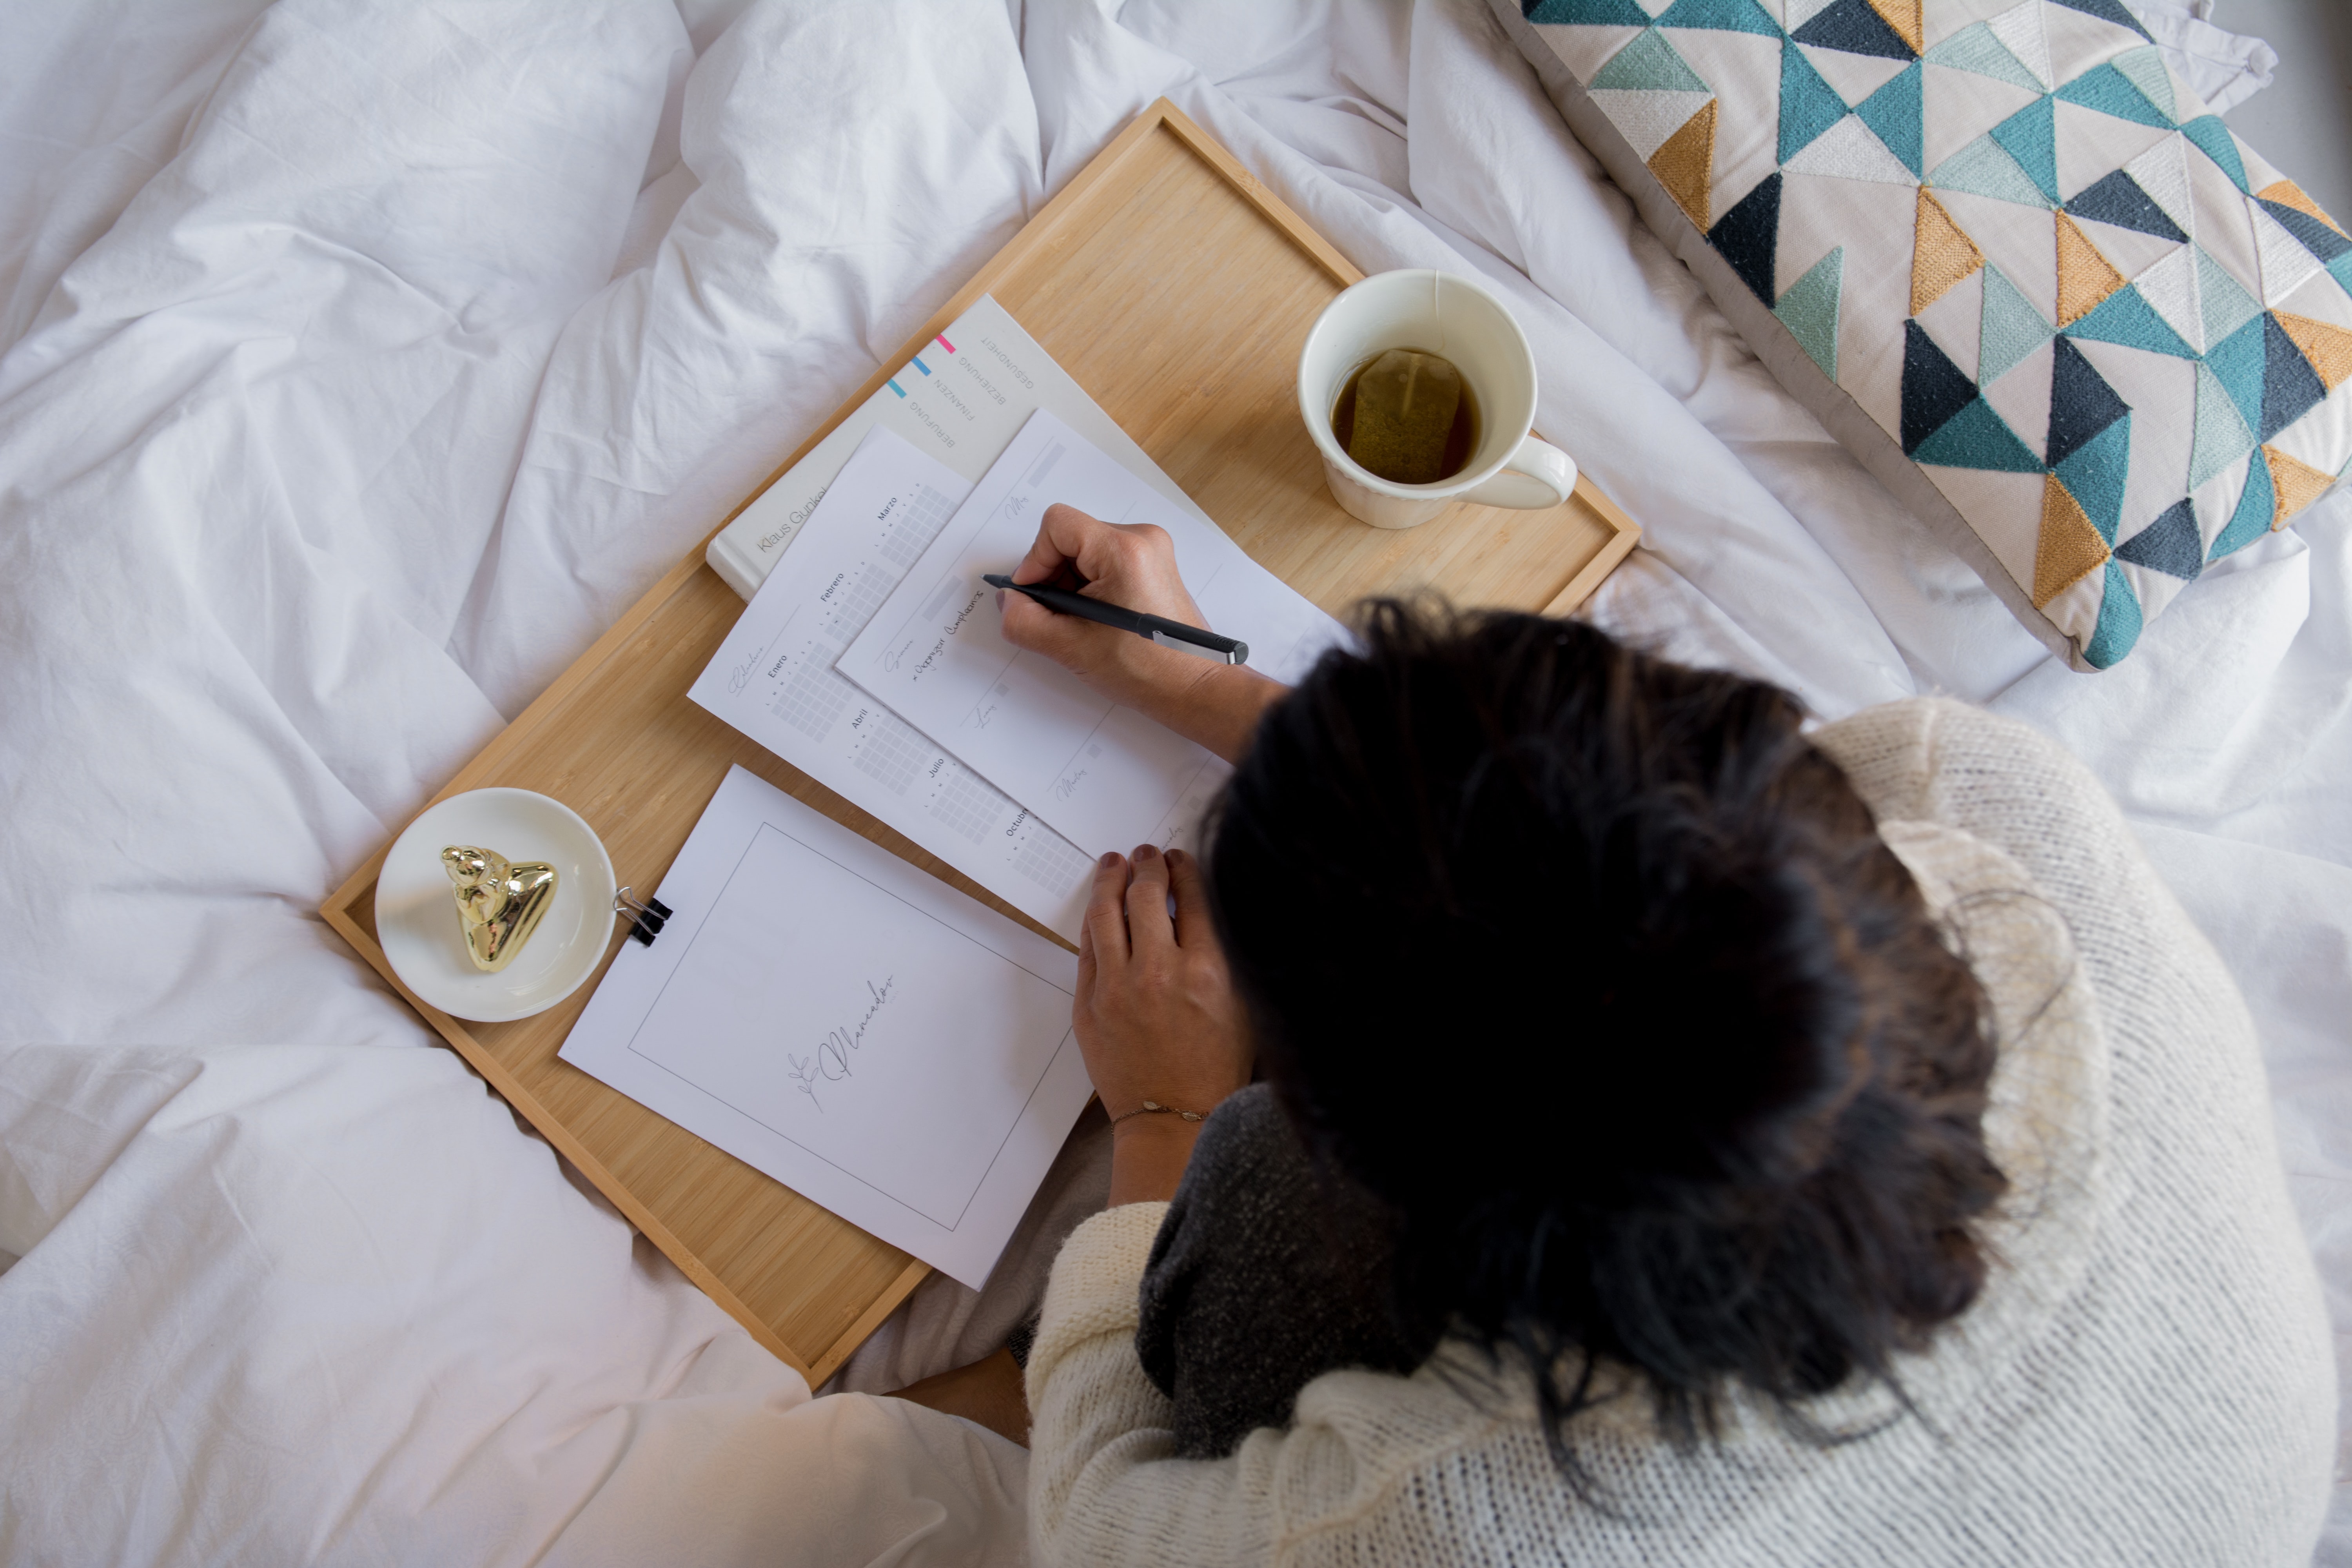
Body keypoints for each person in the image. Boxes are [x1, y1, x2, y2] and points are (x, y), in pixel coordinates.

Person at [893, 505, 2335, 1564]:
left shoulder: (1460, 1529)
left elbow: (1096, 1531)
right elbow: (1607, 848)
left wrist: (1162, 1119)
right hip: (2224, 1475)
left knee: (1242, 1208)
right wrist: (1205, 686)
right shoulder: (1997, 804)